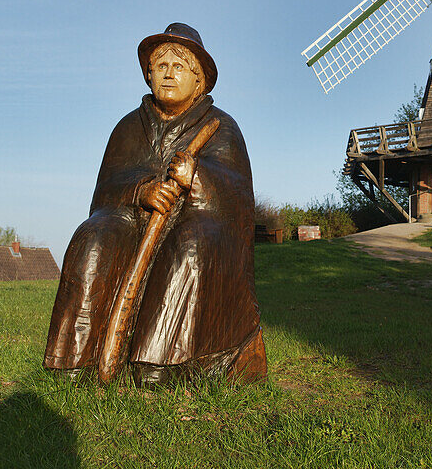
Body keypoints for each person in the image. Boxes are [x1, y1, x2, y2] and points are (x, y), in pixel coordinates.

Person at [44, 23, 266, 384]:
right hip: (130, 219)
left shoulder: (221, 127)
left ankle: (160, 362)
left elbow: (236, 197)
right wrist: (141, 191)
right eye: (160, 66)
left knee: (191, 244)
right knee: (93, 236)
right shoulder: (128, 128)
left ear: (199, 81)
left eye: (179, 67)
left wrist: (195, 176)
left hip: (199, 221)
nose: (168, 74)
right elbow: (105, 190)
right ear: (148, 75)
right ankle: (74, 359)